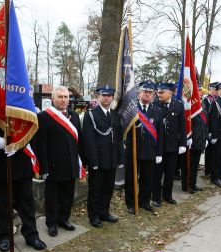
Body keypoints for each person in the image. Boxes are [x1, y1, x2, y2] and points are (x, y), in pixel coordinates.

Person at [35, 86, 85, 237]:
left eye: (66, 97)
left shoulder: (74, 116)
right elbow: (40, 144)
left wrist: (82, 161)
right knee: (52, 197)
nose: (64, 100)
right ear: (53, 99)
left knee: (68, 194)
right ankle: (51, 223)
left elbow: (79, 141)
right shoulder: (44, 116)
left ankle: (64, 219)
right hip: (53, 165)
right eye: (60, 97)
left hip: (71, 163)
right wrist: (43, 168)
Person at [0, 122, 46, 252]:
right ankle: (3, 236)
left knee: (27, 203)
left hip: (21, 160)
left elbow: (31, 126)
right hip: (1, 161)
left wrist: (20, 143)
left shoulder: (21, 102)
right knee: (2, 204)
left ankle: (31, 235)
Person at [82, 85, 124, 228]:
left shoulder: (114, 114)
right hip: (98, 160)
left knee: (108, 188)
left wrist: (120, 159)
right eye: (103, 95)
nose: (106, 98)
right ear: (98, 96)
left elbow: (118, 139)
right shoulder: (91, 114)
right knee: (95, 189)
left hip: (112, 159)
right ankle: (93, 216)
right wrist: (92, 161)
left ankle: (104, 212)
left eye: (109, 95)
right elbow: (89, 140)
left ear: (112, 97)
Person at [124, 80, 164, 215]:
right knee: (131, 178)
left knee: (147, 178)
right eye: (145, 91)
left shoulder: (157, 110)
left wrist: (159, 153)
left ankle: (144, 202)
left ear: (153, 95)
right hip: (132, 150)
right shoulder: (131, 109)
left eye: (150, 93)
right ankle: (130, 203)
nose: (147, 94)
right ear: (139, 93)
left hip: (150, 151)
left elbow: (160, 134)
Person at [152, 82, 187, 207]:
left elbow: (182, 126)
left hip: (172, 145)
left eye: (162, 92)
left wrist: (183, 143)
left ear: (170, 93)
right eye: (158, 92)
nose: (159, 94)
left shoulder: (178, 105)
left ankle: (167, 195)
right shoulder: (154, 105)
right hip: (158, 147)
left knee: (170, 173)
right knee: (157, 173)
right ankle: (156, 197)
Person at [188, 113, 206, 193]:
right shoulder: (191, 109)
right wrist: (189, 138)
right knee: (190, 165)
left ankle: (193, 184)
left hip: (200, 141)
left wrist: (206, 139)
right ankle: (188, 185)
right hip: (193, 142)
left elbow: (204, 125)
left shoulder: (201, 110)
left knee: (195, 165)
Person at [203, 82, 218, 176]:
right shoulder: (207, 100)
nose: (216, 92)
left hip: (215, 128)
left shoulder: (215, 100)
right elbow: (207, 116)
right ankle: (208, 170)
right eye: (215, 90)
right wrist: (208, 131)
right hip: (209, 128)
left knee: (214, 151)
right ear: (211, 89)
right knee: (209, 150)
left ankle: (212, 168)